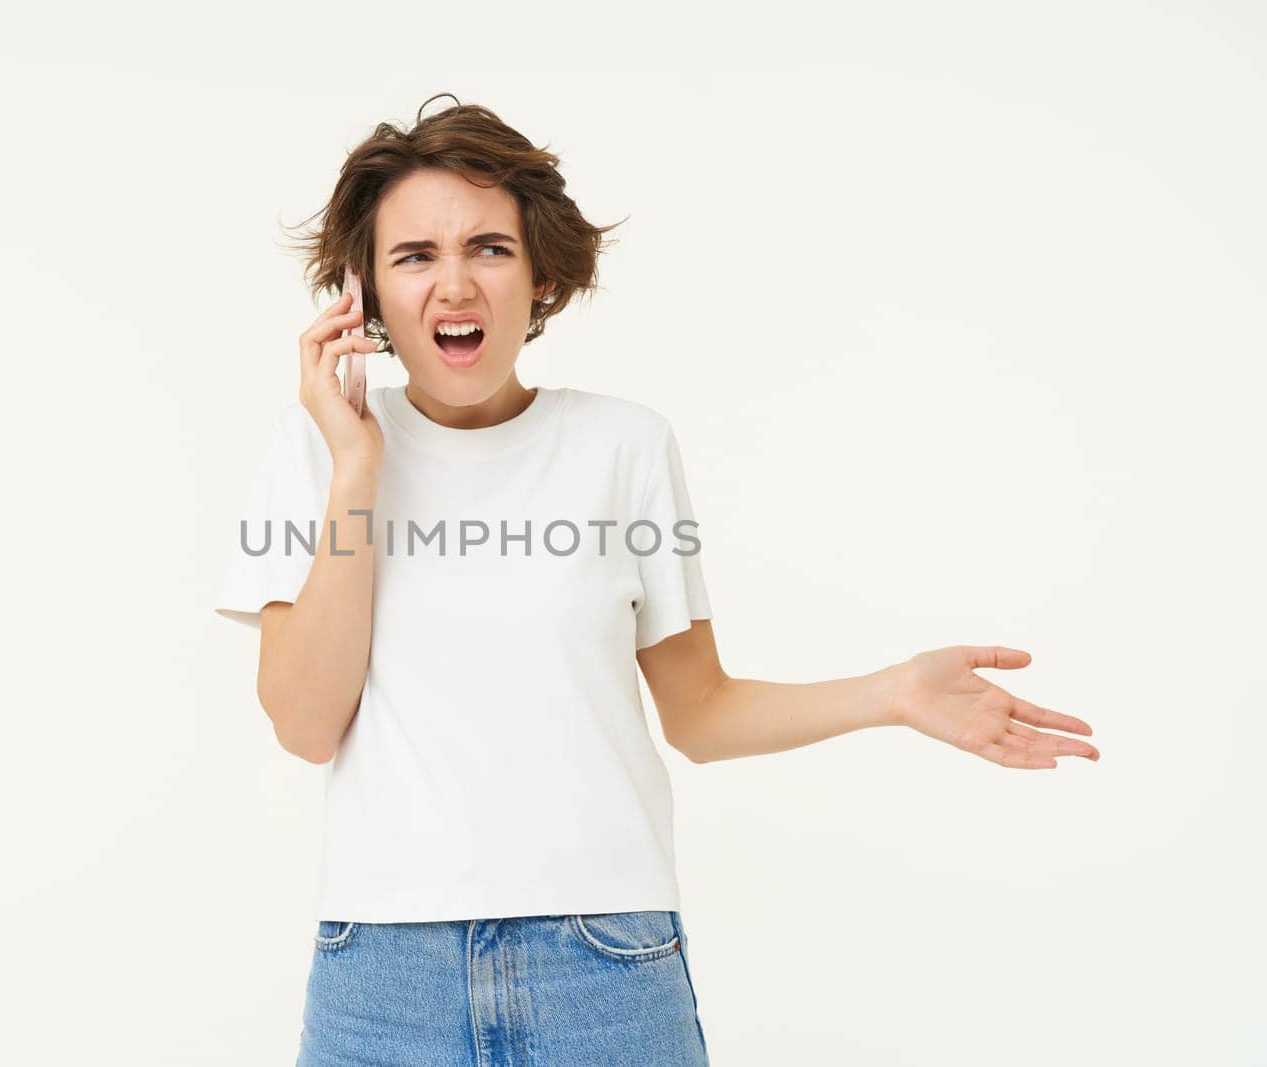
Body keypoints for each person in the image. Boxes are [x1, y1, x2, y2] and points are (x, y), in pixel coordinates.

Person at [213, 93, 1100, 1067]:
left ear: (542, 272)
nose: (454, 284)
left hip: (603, 962)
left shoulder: (622, 446)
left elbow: (700, 711)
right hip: (381, 970)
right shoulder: (318, 449)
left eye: (489, 248)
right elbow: (303, 723)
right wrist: (357, 469)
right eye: (414, 255)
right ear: (365, 292)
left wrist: (888, 692)